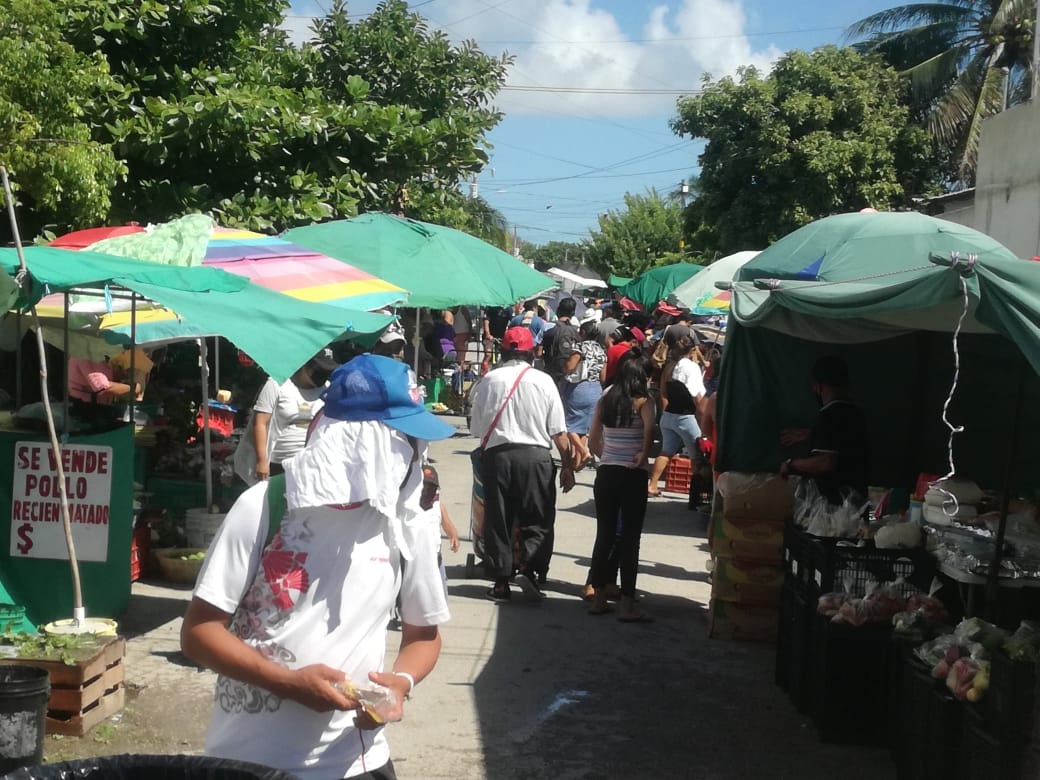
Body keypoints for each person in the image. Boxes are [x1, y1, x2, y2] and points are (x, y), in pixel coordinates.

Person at [181, 354, 456, 780]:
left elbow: (424, 635)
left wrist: (400, 683)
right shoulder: (264, 507)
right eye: (406, 438)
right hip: (248, 762)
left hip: (358, 765)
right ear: (363, 441)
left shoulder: (407, 520)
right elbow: (199, 634)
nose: (418, 454)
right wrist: (285, 682)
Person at [469, 326, 575, 602]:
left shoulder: (489, 380)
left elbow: (477, 428)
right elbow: (558, 431)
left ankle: (501, 582)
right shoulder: (544, 381)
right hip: (536, 457)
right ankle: (528, 568)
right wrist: (567, 465)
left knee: (498, 518)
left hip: (499, 456)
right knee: (538, 517)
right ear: (533, 353)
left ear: (504, 351)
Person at [587, 356, 656, 622]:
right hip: (631, 474)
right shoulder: (643, 401)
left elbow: (593, 439)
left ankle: (599, 598)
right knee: (630, 539)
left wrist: (608, 455)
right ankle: (627, 604)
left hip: (606, 473)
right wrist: (641, 454)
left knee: (604, 535)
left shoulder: (605, 400)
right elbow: (649, 430)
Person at [780, 355, 869, 506]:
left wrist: (791, 464)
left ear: (818, 386)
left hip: (834, 513)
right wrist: (812, 435)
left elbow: (826, 462)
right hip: (855, 507)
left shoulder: (827, 415)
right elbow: (842, 444)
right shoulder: (855, 412)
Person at [251, 349, 338, 481]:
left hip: (312, 463)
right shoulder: (278, 384)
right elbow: (260, 423)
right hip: (279, 463)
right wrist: (261, 460)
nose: (321, 375)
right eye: (317, 370)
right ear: (304, 366)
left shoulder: (327, 388)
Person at [647, 335, 706, 497]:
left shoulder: (669, 367)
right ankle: (697, 492)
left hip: (669, 415)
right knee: (697, 455)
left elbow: (664, 393)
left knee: (665, 451)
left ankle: (652, 485)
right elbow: (697, 395)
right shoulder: (692, 367)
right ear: (693, 350)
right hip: (686, 417)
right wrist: (703, 419)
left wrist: (665, 412)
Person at [561, 320, 606, 471]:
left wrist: (564, 366)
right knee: (584, 427)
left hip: (579, 387)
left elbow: (569, 367)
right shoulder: (601, 350)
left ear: (583, 333)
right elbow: (603, 376)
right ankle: (577, 462)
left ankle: (583, 452)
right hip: (596, 388)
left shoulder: (579, 348)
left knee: (569, 424)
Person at [541, 296, 579, 385]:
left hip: (549, 372)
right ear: (573, 313)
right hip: (567, 375)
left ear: (558, 311)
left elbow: (539, 353)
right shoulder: (575, 330)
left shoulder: (547, 326)